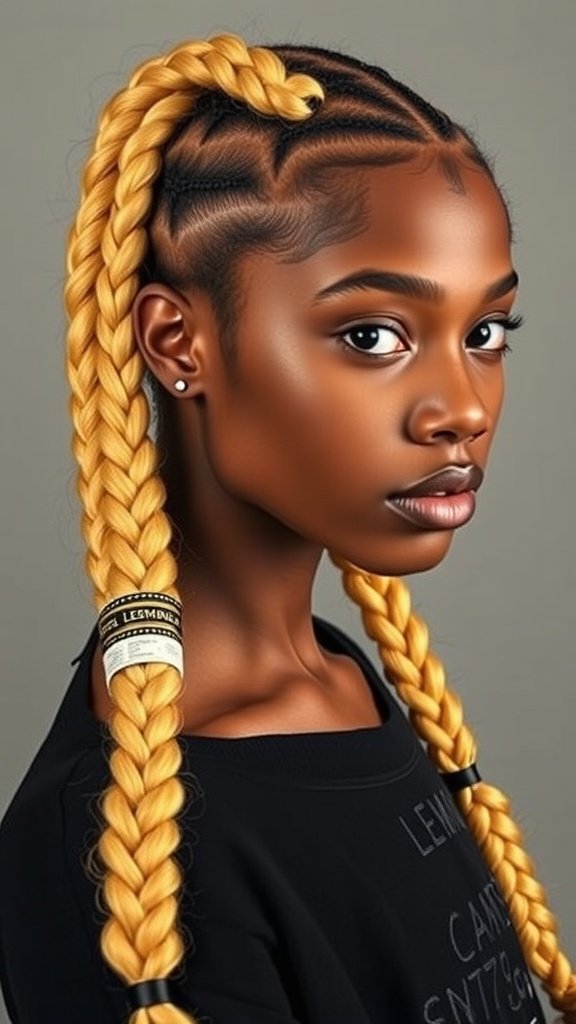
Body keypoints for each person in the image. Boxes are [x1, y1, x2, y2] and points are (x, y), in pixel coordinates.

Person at [0, 31, 573, 1024]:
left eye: (485, 332)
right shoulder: (114, 862)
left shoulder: (342, 677)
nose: (464, 408)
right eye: (373, 335)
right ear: (178, 343)